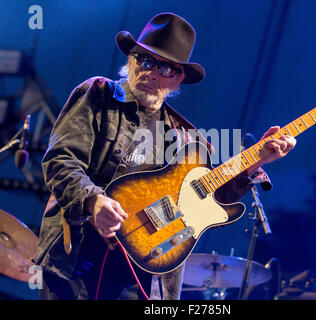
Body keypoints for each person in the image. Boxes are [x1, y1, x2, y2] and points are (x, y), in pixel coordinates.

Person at [33, 12, 296, 300]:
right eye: (144, 60)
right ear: (131, 59)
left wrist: (256, 160)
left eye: (165, 68)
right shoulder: (99, 93)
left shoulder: (187, 139)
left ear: (178, 78)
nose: (152, 73)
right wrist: (93, 200)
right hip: (79, 256)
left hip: (145, 275)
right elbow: (60, 159)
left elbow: (214, 197)